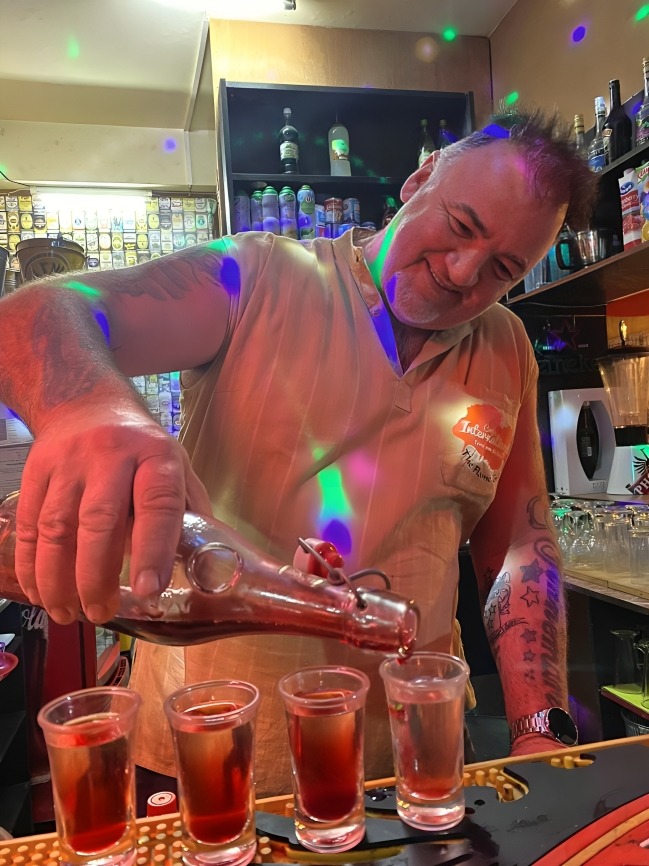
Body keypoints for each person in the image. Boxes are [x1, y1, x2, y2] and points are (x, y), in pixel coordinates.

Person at [0, 107, 597, 801]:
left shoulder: (505, 346)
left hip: (414, 756)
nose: (463, 273)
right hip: (214, 751)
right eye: (460, 226)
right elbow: (36, 314)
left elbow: (519, 542)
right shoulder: (255, 276)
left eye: (501, 268)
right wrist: (91, 410)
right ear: (418, 179)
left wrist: (538, 722)